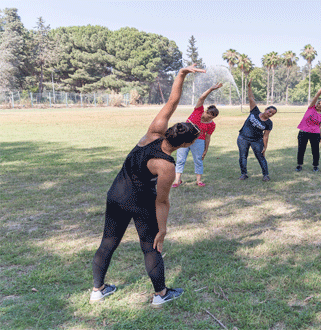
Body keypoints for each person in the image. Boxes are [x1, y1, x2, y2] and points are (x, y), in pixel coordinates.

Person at [90, 64, 205, 307]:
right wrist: (162, 231)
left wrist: (181, 74)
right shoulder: (166, 166)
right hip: (140, 204)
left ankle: (98, 290)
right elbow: (161, 201)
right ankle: (160, 295)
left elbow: (173, 101)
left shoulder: (153, 132)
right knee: (151, 247)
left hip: (116, 195)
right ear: (185, 145)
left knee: (108, 243)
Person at [172, 83, 223, 188]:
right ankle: (177, 181)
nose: (209, 118)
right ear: (206, 111)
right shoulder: (198, 111)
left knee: (198, 161)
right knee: (180, 160)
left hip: (199, 141)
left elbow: (208, 137)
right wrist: (211, 89)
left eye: (212, 117)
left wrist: (206, 150)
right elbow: (201, 98)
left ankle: (198, 181)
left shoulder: (212, 125)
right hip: (184, 139)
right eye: (209, 115)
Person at [237, 79, 276, 181]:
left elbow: (266, 135)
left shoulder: (269, 123)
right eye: (269, 111)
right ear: (266, 109)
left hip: (257, 141)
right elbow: (251, 98)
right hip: (243, 138)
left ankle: (266, 175)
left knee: (260, 157)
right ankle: (244, 174)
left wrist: (265, 147)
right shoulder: (255, 111)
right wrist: (249, 86)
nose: (270, 113)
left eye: (272, 113)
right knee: (243, 157)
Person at [296, 84, 321, 172]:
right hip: (303, 132)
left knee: (315, 151)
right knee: (301, 149)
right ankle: (299, 165)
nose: (319, 105)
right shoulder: (311, 108)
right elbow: (317, 95)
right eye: (319, 103)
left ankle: (315, 166)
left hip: (315, 134)